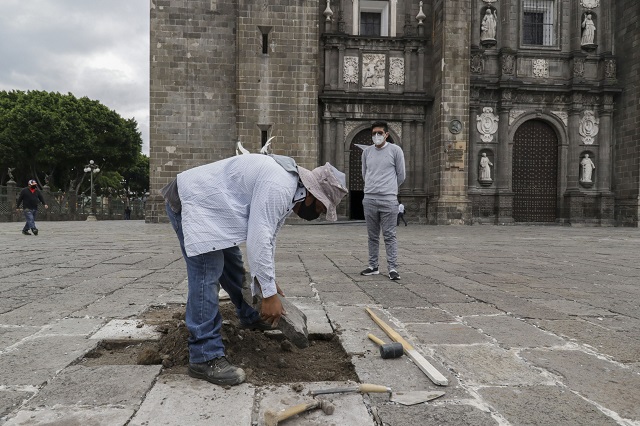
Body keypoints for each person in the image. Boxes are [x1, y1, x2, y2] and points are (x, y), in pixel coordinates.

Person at [161, 153, 347, 386]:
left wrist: (267, 281)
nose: (317, 215)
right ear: (312, 195)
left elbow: (269, 237)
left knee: (232, 264)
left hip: (213, 210)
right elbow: (259, 237)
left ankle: (249, 315)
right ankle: (204, 356)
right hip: (193, 201)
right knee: (208, 272)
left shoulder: (289, 188)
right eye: (320, 208)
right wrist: (269, 295)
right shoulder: (280, 185)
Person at [360, 121, 406, 281]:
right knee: (372, 236)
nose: (376, 136)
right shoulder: (366, 152)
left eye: (379, 133)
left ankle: (393, 268)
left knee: (389, 235)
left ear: (386, 134)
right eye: (373, 133)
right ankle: (373, 266)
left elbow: (401, 175)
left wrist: (388, 188)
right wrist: (373, 187)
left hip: (388, 200)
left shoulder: (395, 150)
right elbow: (364, 173)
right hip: (370, 198)